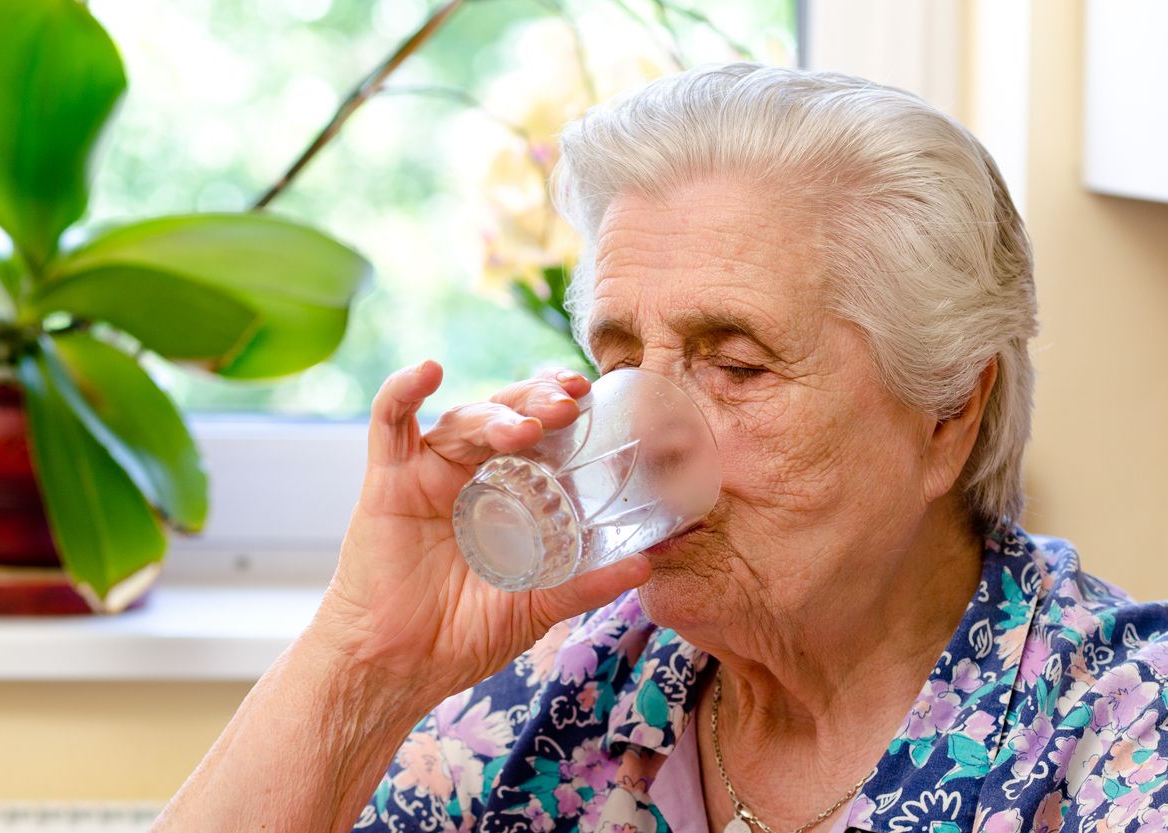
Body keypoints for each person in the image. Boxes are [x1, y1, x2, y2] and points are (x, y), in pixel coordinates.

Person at [153, 63, 1168, 833]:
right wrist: (362, 657)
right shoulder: (568, 674)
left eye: (736, 365)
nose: (640, 442)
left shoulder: (1122, 732)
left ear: (949, 409)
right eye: (622, 362)